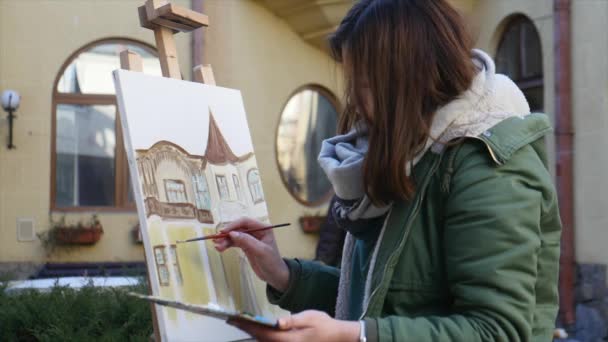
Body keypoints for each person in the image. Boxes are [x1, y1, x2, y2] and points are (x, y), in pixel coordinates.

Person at [214, 0, 562, 340]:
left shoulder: (487, 166)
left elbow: (496, 331)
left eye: (364, 86)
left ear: (409, 77)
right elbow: (376, 299)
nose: (355, 102)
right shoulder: (413, 152)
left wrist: (355, 336)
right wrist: (284, 274)